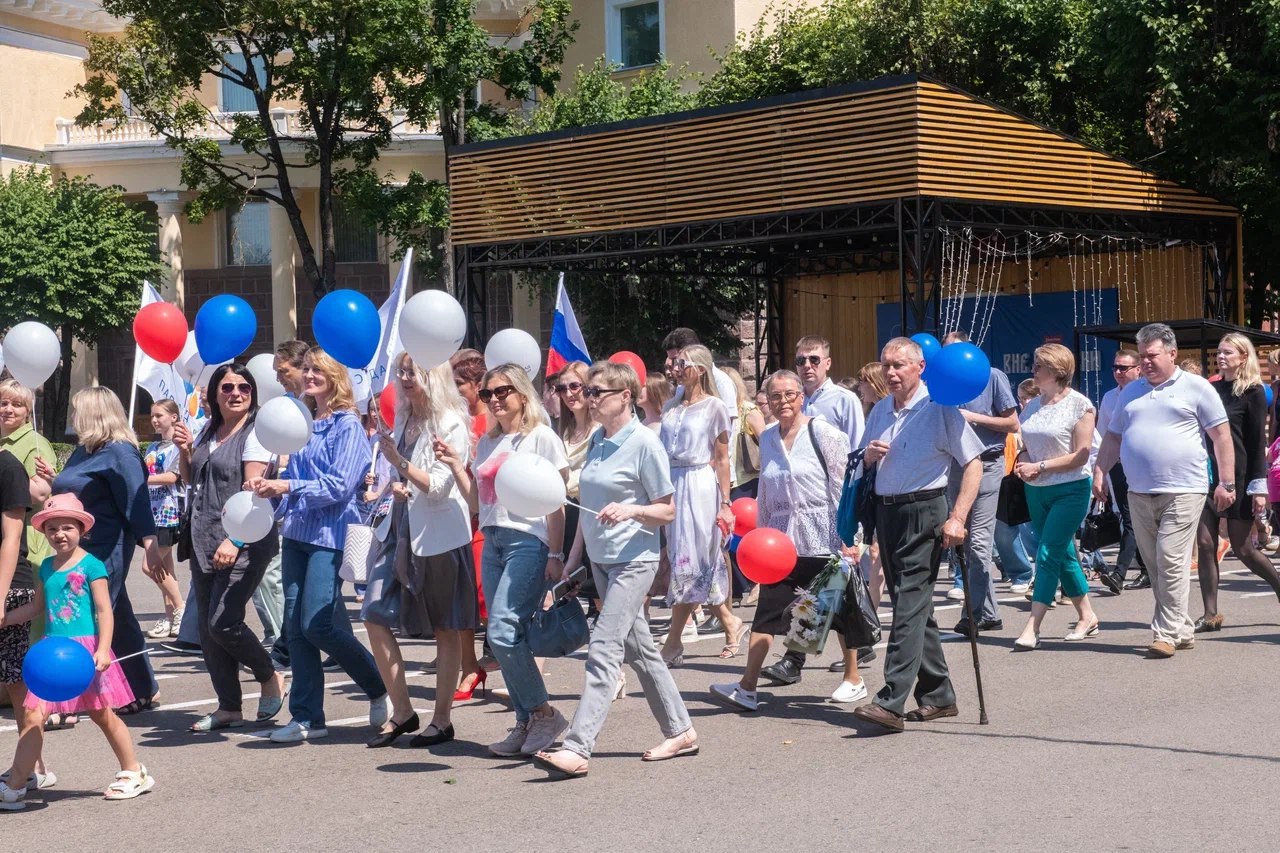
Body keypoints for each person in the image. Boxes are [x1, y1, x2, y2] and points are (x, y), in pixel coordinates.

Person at [534, 361, 697, 778]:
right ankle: (681, 730)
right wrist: (571, 564)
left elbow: (668, 508)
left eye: (597, 392)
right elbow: (587, 512)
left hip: (635, 560)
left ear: (625, 396)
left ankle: (577, 746)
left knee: (604, 650)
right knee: (640, 652)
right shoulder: (598, 442)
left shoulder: (644, 443)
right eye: (588, 392)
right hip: (601, 563)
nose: (588, 399)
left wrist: (632, 509)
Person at [248, 347, 388, 742]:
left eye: (318, 370)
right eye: (306, 369)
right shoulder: (302, 422)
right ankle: (308, 717)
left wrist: (288, 485)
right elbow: (292, 478)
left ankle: (378, 685)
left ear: (335, 377)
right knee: (294, 628)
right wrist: (267, 489)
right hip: (295, 533)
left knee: (317, 623)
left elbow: (340, 486)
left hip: (330, 536)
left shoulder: (347, 425)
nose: (309, 376)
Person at [851, 337, 984, 733]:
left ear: (920, 367)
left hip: (924, 511)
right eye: (886, 365)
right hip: (886, 512)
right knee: (918, 608)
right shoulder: (878, 412)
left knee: (907, 605)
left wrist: (958, 517)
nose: (890, 373)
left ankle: (891, 701)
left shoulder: (939, 408)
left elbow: (973, 464)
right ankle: (939, 695)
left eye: (899, 366)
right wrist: (869, 459)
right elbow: (862, 461)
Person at [711, 370, 863, 711]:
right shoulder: (767, 438)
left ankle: (853, 678)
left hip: (824, 534)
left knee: (838, 610)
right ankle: (747, 687)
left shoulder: (823, 433)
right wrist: (761, 533)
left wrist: (851, 536)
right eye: (775, 396)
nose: (783, 402)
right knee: (767, 612)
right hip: (781, 542)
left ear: (801, 397)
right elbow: (764, 490)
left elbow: (843, 486)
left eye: (790, 395)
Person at [2, 494, 155, 809]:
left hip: (84, 652)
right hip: (52, 653)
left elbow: (104, 611)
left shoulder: (91, 565)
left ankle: (133, 771)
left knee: (101, 713)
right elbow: (36, 607)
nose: (59, 534)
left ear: (82, 530)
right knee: (33, 715)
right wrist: (4, 619)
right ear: (44, 532)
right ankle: (18, 783)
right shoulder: (45, 566)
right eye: (52, 528)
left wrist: (102, 650)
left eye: (67, 527)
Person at [1094, 323, 1234, 658]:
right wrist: (1100, 471)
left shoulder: (1197, 388)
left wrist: (1227, 483)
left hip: (1185, 489)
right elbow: (1113, 438)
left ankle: (1166, 634)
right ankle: (1182, 628)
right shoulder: (1130, 392)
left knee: (1170, 559)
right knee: (1155, 565)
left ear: (1172, 353)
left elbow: (1221, 436)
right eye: (1141, 356)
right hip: (1138, 492)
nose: (1146, 362)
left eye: (1152, 355)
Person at [363, 354, 478, 748]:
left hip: (440, 534)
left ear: (434, 377)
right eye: (402, 372)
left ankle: (441, 719)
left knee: (445, 626)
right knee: (373, 612)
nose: (406, 379)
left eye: (413, 372)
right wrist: (390, 482)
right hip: (400, 527)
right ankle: (403, 711)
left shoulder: (451, 422)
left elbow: (441, 486)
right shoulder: (404, 417)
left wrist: (400, 464)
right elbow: (404, 476)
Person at [174, 363, 287, 732]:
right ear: (213, 394)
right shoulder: (209, 429)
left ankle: (269, 675)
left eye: (243, 387)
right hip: (203, 536)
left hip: (244, 539)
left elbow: (251, 492)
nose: (236, 393)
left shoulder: (255, 434)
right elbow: (194, 480)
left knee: (223, 621)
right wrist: (185, 452)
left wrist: (234, 539)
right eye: (227, 387)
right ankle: (229, 707)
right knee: (208, 632)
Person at [472, 363, 572, 757]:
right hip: (493, 537)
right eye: (487, 394)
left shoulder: (541, 437)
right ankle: (525, 721)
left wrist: (556, 552)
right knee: (507, 637)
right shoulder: (487, 442)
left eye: (502, 392)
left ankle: (543, 713)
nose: (495, 400)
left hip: (528, 541)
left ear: (521, 393)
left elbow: (556, 501)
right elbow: (478, 502)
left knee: (501, 631)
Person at [50, 387, 164, 713]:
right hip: (79, 546)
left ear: (93, 413)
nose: (74, 417)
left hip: (105, 547)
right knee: (120, 617)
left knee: (89, 617)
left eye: (77, 410)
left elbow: (137, 502)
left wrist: (151, 545)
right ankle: (143, 688)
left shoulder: (120, 453)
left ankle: (72, 694)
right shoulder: (86, 450)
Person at [763, 335, 867, 686]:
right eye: (800, 360)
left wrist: (853, 529)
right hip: (791, 521)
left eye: (813, 359)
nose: (806, 365)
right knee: (803, 595)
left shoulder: (844, 400)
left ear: (828, 362)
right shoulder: (772, 428)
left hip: (827, 518)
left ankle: (850, 672)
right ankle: (793, 661)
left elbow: (852, 461)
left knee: (831, 596)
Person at [658, 344, 746, 665]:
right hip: (673, 484)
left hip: (699, 484)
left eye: (683, 363)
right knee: (689, 561)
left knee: (691, 562)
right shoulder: (671, 405)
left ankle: (673, 642)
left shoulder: (715, 408)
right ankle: (730, 622)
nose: (676, 368)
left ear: (701, 369)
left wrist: (726, 502)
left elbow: (722, 459)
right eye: (674, 363)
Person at [1010, 345, 1101, 649]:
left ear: (1057, 370)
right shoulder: (1033, 405)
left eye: (1039, 365)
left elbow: (1081, 456)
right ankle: (1087, 616)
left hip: (1070, 488)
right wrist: (1024, 461)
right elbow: (1025, 442)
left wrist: (1041, 466)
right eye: (1034, 364)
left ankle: (1032, 627)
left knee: (1048, 552)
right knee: (1063, 554)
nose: (1033, 370)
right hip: (1036, 490)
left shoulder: (1081, 406)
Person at [1194, 333, 1280, 631]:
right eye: (1218, 351)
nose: (1221, 356)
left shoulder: (1254, 392)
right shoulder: (1210, 388)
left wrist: (1259, 488)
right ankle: (1210, 614)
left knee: (1243, 548)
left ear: (1243, 357)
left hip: (1241, 477)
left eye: (1227, 352)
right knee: (1205, 543)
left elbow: (1257, 443)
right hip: (1206, 476)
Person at [940, 330, 1018, 630]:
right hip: (955, 466)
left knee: (979, 545)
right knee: (963, 541)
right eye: (946, 352)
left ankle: (969, 614)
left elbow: (1012, 423)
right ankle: (989, 613)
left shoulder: (992, 376)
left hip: (987, 463)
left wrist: (973, 418)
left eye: (956, 351)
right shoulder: (942, 380)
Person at [449, 347, 491, 695]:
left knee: (483, 593)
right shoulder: (454, 419)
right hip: (455, 513)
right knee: (460, 595)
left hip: (487, 514)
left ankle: (509, 657)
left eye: (460, 384)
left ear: (477, 385)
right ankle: (469, 667)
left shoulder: (493, 419)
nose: (456, 391)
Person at [1096, 349, 1147, 591]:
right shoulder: (1109, 398)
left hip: (1143, 465)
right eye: (1115, 367)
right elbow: (1103, 437)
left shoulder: (1148, 393)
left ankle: (1124, 572)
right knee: (1129, 518)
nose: (1118, 372)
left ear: (1138, 369)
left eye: (1123, 368)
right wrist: (1101, 472)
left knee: (1140, 519)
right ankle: (1123, 574)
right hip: (1118, 466)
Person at [556, 361, 602, 609]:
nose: (568, 393)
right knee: (572, 585)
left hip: (592, 510)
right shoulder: (564, 429)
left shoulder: (600, 431)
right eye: (562, 388)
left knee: (597, 587)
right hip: (566, 510)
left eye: (575, 385)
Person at [142, 400, 186, 639]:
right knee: (166, 569)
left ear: (174, 417)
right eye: (152, 416)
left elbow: (173, 476)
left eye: (159, 415)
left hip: (169, 512)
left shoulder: (178, 447)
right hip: (152, 512)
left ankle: (181, 608)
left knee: (150, 565)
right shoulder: (152, 447)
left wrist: (143, 480)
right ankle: (171, 618)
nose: (155, 420)